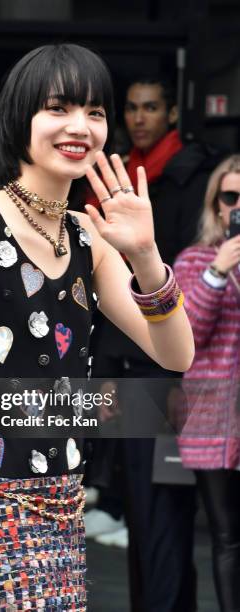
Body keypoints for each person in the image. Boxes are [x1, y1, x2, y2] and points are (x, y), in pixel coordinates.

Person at [0, 44, 194, 612]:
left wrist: (148, 255)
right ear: (19, 119)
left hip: (62, 508)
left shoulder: (86, 235)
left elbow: (176, 355)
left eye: (95, 112)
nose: (81, 126)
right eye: (59, 108)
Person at [86, 76, 222, 611]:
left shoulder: (192, 175)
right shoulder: (114, 178)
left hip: (175, 370)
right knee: (143, 509)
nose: (140, 117)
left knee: (163, 511)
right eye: (133, 109)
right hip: (128, 363)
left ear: (171, 114)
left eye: (151, 107)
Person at [174, 154, 240, 612]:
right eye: (231, 196)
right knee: (227, 537)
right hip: (215, 417)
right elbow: (185, 337)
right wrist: (219, 270)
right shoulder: (195, 259)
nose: (238, 206)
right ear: (216, 205)